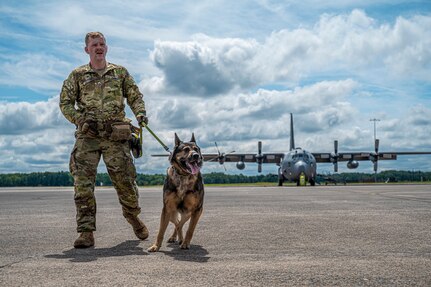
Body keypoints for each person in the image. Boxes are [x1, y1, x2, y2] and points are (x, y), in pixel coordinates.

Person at [60, 32, 149, 248]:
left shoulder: (119, 72)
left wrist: (140, 113)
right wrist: (79, 120)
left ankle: (133, 217)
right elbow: (65, 103)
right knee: (82, 185)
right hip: (87, 136)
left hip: (114, 136)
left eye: (101, 44)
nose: (98, 47)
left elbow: (134, 95)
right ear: (87, 49)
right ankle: (86, 232)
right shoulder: (77, 75)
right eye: (94, 45)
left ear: (106, 48)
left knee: (125, 182)